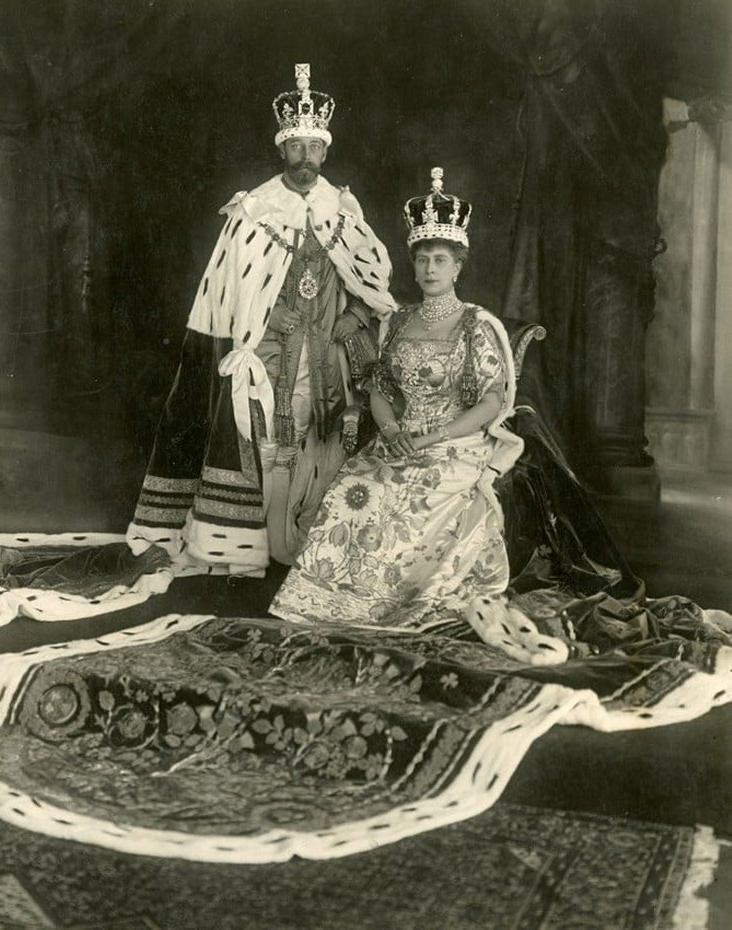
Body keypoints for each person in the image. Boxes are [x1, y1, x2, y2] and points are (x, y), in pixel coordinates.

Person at [270, 168, 568, 665]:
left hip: (456, 441)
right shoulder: (399, 320)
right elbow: (380, 389)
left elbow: (491, 402)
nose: (430, 269)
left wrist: (433, 437)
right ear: (413, 265)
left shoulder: (475, 324)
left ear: (457, 267)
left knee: (410, 496)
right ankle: (337, 602)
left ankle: (400, 604)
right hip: (400, 436)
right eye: (423, 259)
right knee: (355, 486)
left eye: (440, 260)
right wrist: (391, 430)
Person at [126, 63, 396, 574]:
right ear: (282, 150)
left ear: (325, 152)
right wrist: (267, 322)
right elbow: (231, 291)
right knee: (268, 440)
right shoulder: (254, 211)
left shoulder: (341, 209)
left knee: (321, 438)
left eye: (314, 148)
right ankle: (254, 543)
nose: (305, 157)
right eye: (296, 147)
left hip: (327, 352)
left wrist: (358, 315)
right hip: (269, 352)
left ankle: (308, 538)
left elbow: (369, 277)